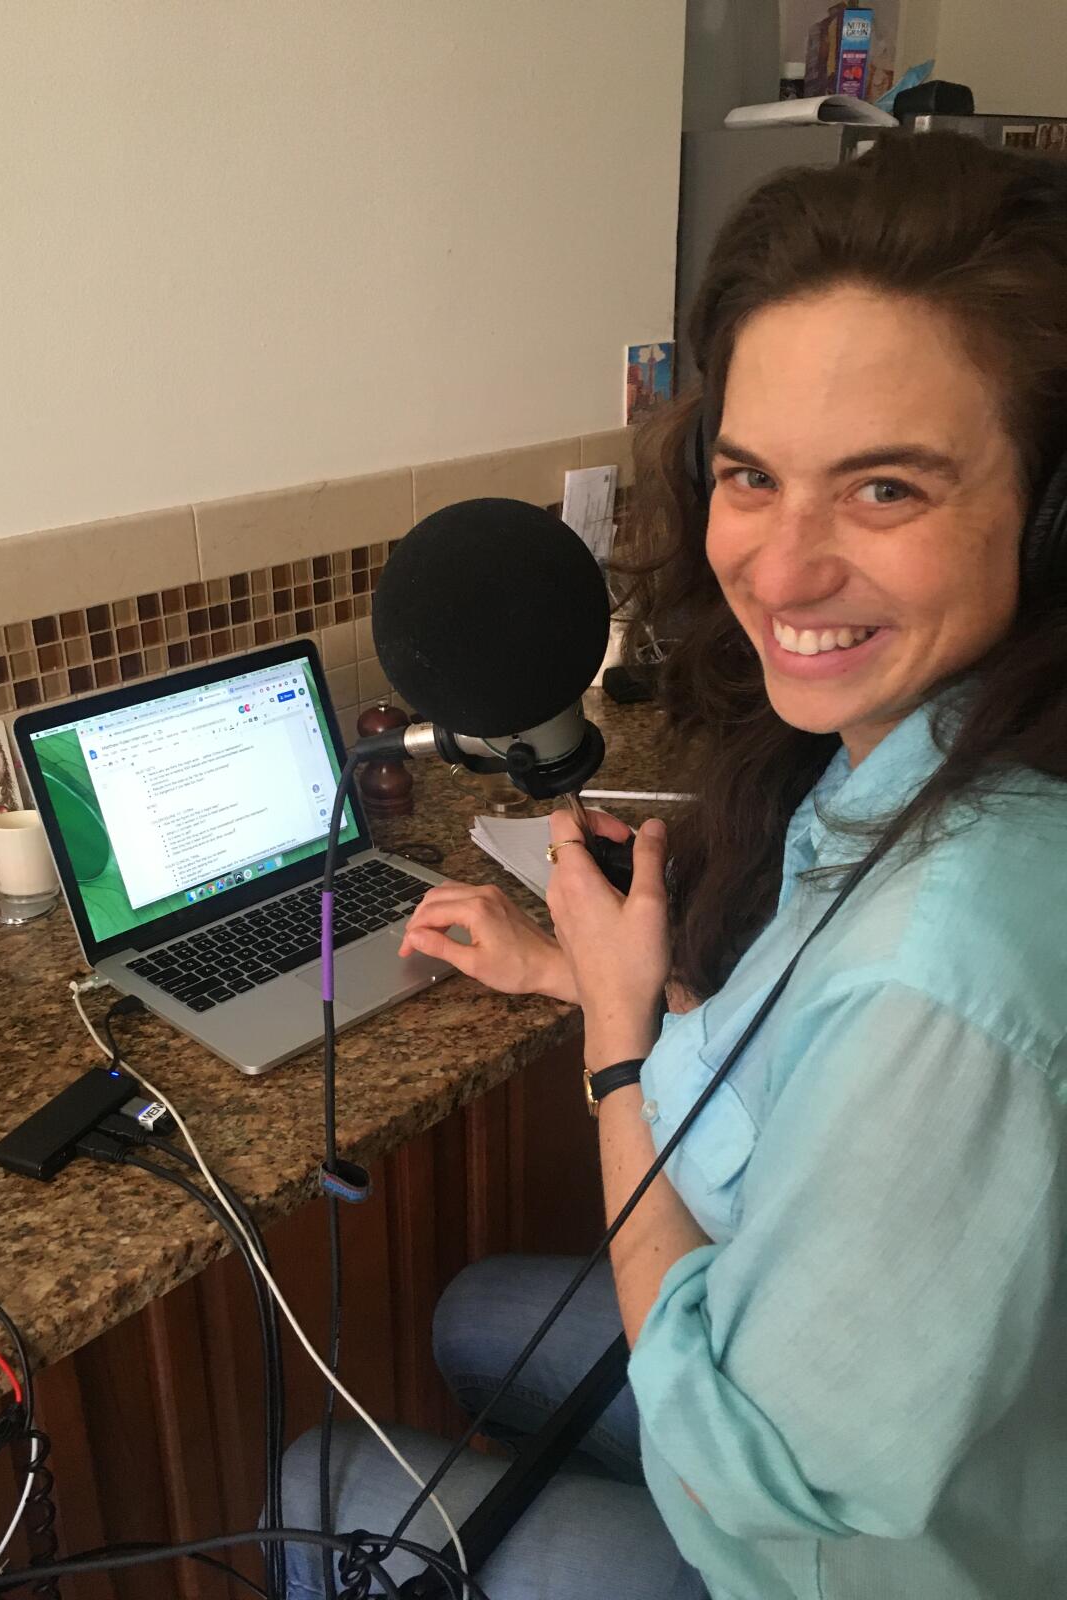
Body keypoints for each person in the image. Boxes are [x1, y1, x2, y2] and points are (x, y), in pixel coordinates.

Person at [283, 131, 1067, 1600]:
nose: (778, 570)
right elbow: (799, 1093)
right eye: (751, 477)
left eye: (885, 489)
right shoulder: (923, 774)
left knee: (315, 1480)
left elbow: (738, 1479)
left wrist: (617, 1043)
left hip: (832, 1548)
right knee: (468, 1318)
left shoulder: (950, 963)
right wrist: (579, 968)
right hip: (837, 1406)